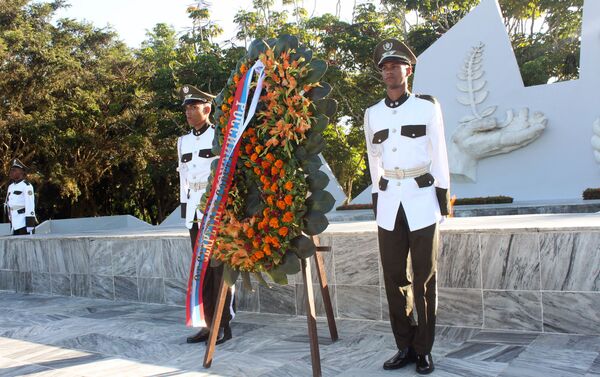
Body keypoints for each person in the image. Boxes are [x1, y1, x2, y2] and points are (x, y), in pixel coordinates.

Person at [363, 39, 450, 375]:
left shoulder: (427, 108)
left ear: (408, 70)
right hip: (389, 201)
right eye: (384, 67)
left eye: (395, 66)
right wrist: (376, 196)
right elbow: (373, 159)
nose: (389, 71)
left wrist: (442, 198)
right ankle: (404, 345)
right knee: (394, 278)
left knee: (424, 279)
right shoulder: (372, 114)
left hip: (421, 198)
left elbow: (439, 153)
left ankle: (423, 349)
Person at [177, 84, 235, 345]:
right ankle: (206, 323)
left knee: (219, 270)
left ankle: (223, 324)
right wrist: (184, 208)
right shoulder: (183, 142)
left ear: (208, 109)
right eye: (187, 108)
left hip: (215, 211)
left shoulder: (219, 136)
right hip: (194, 213)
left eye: (194, 107)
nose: (189, 112)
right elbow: (183, 178)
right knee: (200, 271)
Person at [4, 159, 36, 235]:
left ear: (21, 172)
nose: (11, 172)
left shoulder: (26, 186)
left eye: (14, 170)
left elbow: (30, 205)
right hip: (14, 222)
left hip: (24, 222)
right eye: (11, 170)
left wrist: (30, 224)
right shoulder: (10, 186)